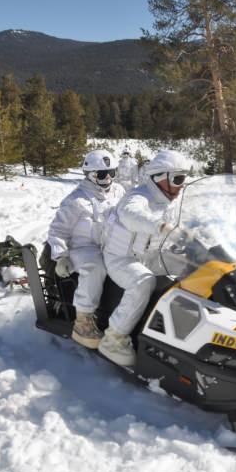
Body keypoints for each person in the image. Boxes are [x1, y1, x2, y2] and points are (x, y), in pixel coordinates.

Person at [99, 150, 190, 366]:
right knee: (143, 282)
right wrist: (162, 227)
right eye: (178, 179)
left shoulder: (171, 200)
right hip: (121, 258)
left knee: (197, 264)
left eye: (184, 179)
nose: (181, 185)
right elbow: (132, 215)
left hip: (151, 256)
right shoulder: (137, 196)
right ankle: (113, 339)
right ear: (160, 177)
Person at [47, 149, 125, 349]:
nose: (107, 178)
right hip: (81, 249)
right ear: (89, 175)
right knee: (96, 266)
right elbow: (57, 230)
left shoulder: (119, 192)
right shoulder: (76, 200)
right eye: (101, 174)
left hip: (109, 245)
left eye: (111, 173)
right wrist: (61, 256)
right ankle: (83, 321)